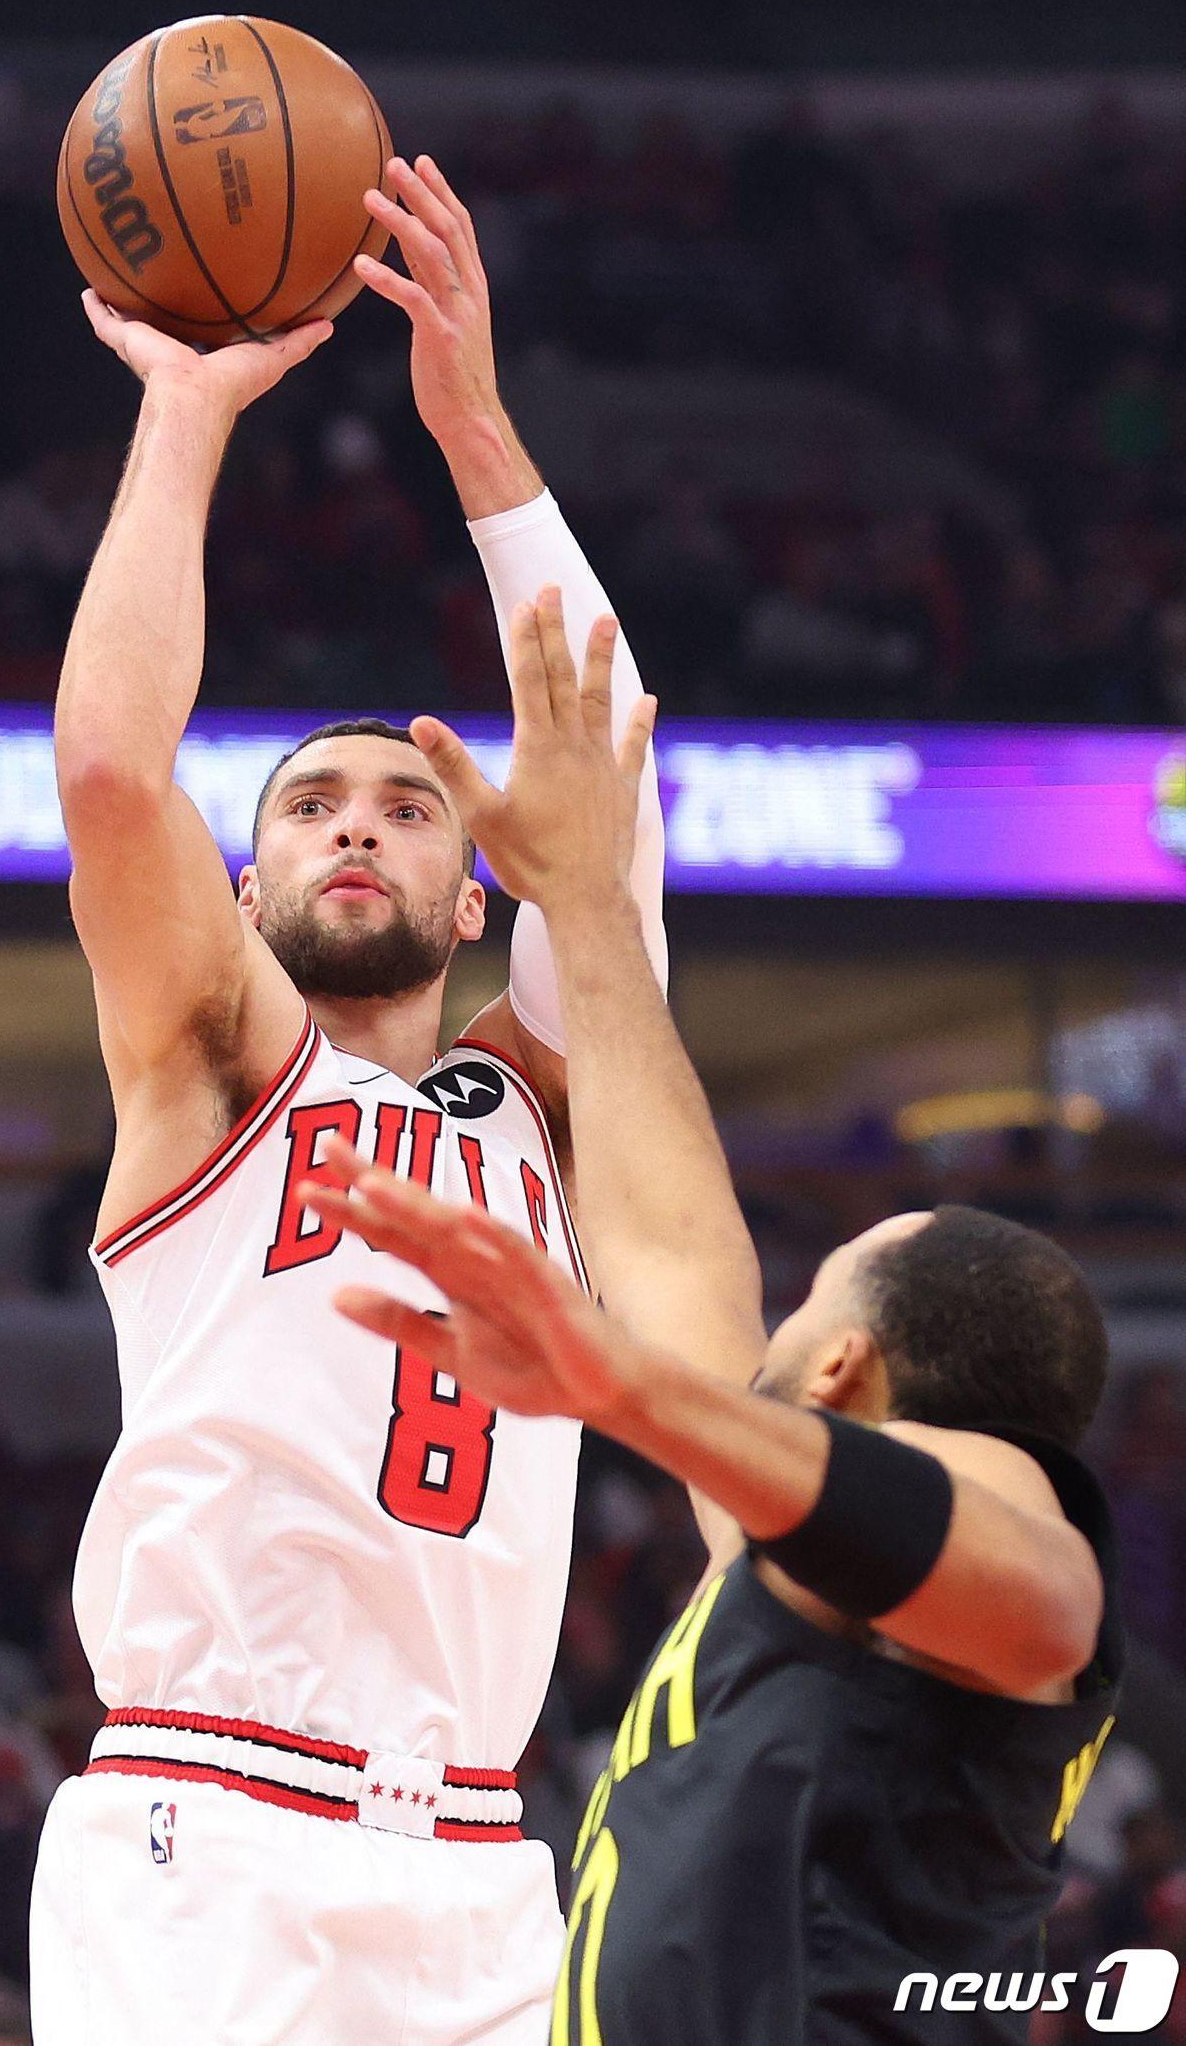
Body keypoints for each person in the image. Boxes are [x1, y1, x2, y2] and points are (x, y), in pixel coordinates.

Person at [32, 155, 668, 2046]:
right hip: (209, 1830)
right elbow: (110, 775)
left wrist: (478, 433)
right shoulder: (216, 1064)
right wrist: (183, 412)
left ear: (478, 893)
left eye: (407, 805)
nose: (360, 825)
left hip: (480, 1856)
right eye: (310, 805)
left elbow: (612, 802)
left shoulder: (532, 1116)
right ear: (247, 895)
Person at [313, 600, 1125, 2046]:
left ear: (843, 1364)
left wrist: (617, 1386)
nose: (762, 1320)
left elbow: (1049, 1601)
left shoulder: (986, 1501)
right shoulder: (780, 1551)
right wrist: (591, 904)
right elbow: (674, 1246)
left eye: (809, 1297)